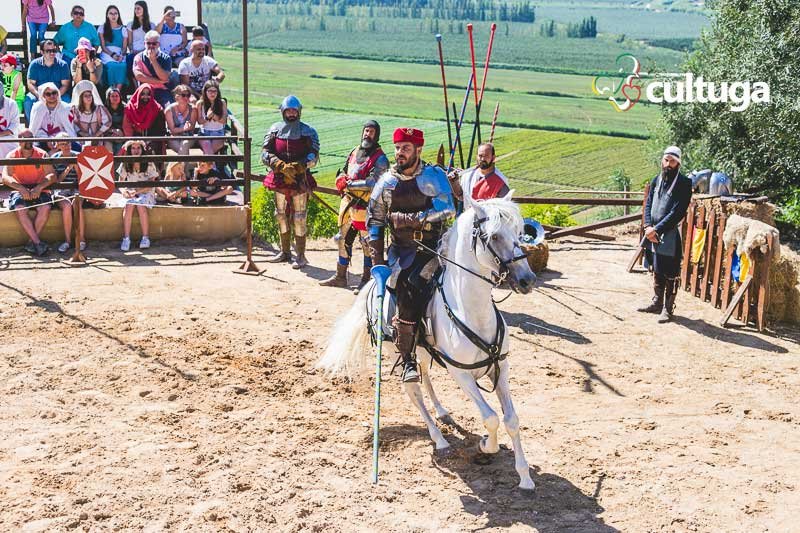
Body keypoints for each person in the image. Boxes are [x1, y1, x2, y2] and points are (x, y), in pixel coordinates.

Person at [367, 127, 455, 383]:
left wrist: (414, 218)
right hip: (402, 252)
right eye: (397, 148)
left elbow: (448, 209)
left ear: (418, 150)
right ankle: (407, 360)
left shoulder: (433, 176)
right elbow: (375, 221)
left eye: (406, 148)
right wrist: (377, 263)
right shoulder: (387, 182)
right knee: (409, 287)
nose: (399, 153)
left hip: (433, 248)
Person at [321, 120, 389, 290]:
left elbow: (374, 182)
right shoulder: (354, 151)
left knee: (367, 245)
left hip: (366, 206)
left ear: (377, 135)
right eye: (366, 131)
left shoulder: (380, 158)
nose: (368, 134)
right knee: (342, 239)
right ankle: (340, 276)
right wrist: (340, 179)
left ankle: (366, 280)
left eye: (372, 132)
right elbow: (345, 170)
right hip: (348, 205)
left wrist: (349, 184)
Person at [261, 95, 319, 269]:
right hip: (279, 177)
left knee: (299, 217)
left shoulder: (308, 131)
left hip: (299, 179)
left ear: (299, 111)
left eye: (294, 110)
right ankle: (285, 252)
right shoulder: (274, 129)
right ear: (283, 111)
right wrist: (278, 164)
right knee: (280, 214)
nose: (291, 113)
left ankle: (300, 256)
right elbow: (264, 153)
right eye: (288, 110)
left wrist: (300, 166)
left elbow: (314, 155)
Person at [638, 146, 693, 323]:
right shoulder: (656, 180)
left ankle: (667, 309)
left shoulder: (684, 184)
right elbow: (648, 204)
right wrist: (647, 226)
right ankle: (656, 302)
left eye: (672, 161)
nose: (668, 164)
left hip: (667, 234)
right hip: (651, 231)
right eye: (666, 160)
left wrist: (657, 229)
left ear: (678, 163)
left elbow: (678, 212)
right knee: (656, 268)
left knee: (670, 272)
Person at [1, 129, 57, 256]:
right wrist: (20, 188)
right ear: (20, 141)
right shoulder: (12, 155)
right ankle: (37, 243)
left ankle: (32, 243)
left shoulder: (41, 154)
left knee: (45, 208)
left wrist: (40, 187)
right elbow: (5, 177)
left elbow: (52, 175)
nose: (29, 141)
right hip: (20, 189)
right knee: (20, 208)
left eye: (31, 138)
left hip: (40, 189)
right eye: (26, 138)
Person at [51, 132, 91, 253]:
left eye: (67, 142)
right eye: (62, 144)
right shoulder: (54, 159)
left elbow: (84, 180)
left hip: (77, 189)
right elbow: (56, 181)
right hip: (61, 190)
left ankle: (81, 239)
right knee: (67, 206)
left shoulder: (80, 156)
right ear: (57, 145)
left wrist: (77, 168)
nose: (66, 146)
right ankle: (67, 241)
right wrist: (68, 168)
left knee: (76, 204)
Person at [117, 139, 158, 251]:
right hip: (131, 191)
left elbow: (151, 183)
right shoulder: (125, 163)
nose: (136, 151)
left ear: (142, 149)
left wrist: (137, 192)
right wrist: (124, 191)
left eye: (138, 148)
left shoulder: (148, 162)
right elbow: (120, 182)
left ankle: (145, 237)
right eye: (133, 148)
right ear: (129, 150)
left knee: (141, 205)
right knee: (128, 206)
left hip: (146, 191)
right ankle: (126, 238)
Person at [450, 142, 510, 210]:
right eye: (480, 156)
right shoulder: (468, 175)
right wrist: (454, 183)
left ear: (493, 158)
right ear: (477, 156)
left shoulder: (500, 181)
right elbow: (461, 196)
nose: (482, 159)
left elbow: (505, 209)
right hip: (470, 218)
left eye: (486, 156)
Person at [24, 39, 71, 119]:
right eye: (48, 51)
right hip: (40, 94)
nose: (52, 53)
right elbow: (31, 84)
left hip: (57, 93)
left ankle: (64, 127)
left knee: (66, 100)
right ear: (42, 52)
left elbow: (65, 85)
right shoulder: (34, 64)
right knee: (29, 101)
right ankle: (33, 129)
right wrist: (39, 96)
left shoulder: (63, 65)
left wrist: (55, 96)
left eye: (54, 50)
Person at [132, 30, 174, 108]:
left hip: (162, 90)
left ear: (159, 44)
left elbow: (164, 77)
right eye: (148, 43)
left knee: (169, 108)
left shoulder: (166, 58)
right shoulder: (138, 57)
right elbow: (139, 77)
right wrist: (159, 81)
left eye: (154, 43)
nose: (151, 46)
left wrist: (153, 60)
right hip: (144, 90)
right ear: (144, 44)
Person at [122, 83, 166, 155]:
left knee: (153, 149)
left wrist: (148, 141)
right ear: (138, 94)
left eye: (148, 94)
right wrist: (136, 141)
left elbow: (160, 130)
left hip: (153, 140)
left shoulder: (157, 109)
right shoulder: (130, 108)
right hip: (134, 140)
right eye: (143, 94)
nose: (145, 96)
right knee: (129, 149)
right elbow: (127, 128)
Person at [98, 5, 129, 91]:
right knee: (111, 66)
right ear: (107, 15)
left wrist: (121, 55)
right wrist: (112, 54)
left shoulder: (123, 29)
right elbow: (103, 47)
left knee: (123, 65)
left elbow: (124, 47)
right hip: (107, 53)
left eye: (115, 13)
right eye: (111, 13)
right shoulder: (102, 28)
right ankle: (111, 91)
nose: (113, 15)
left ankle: (117, 91)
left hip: (120, 54)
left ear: (118, 15)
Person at [126, 0, 154, 85]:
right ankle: (136, 88)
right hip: (134, 52)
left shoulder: (151, 25)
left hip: (146, 51)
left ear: (144, 10)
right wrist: (132, 50)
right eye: (135, 9)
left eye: (138, 8)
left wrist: (143, 51)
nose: (136, 11)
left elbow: (152, 41)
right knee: (130, 60)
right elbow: (130, 42)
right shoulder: (130, 24)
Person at [195, 80, 227, 155]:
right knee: (207, 145)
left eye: (215, 91)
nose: (212, 93)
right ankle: (211, 166)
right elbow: (199, 121)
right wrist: (207, 117)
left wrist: (214, 116)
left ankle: (208, 165)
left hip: (218, 133)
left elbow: (224, 121)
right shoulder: (200, 103)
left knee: (208, 151)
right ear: (205, 92)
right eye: (210, 91)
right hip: (204, 133)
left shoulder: (222, 103)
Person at [164, 84, 196, 155]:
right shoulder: (169, 110)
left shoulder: (193, 109)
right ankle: (183, 165)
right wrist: (184, 129)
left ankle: (177, 166)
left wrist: (186, 128)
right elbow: (172, 130)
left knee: (185, 143)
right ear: (177, 96)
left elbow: (192, 127)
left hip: (189, 137)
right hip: (174, 137)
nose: (186, 97)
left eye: (188, 95)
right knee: (183, 150)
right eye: (183, 95)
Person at [0, 91, 21, 174]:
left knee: (4, 143)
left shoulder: (11, 104)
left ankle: (7, 172)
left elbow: (14, 125)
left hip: (9, 135)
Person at [104, 86, 125, 153]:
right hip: (108, 134)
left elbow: (127, 124)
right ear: (108, 98)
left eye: (117, 96)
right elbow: (102, 124)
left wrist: (120, 132)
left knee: (119, 148)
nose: (115, 98)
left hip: (121, 134)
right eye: (112, 96)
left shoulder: (125, 108)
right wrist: (112, 131)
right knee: (108, 147)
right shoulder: (104, 109)